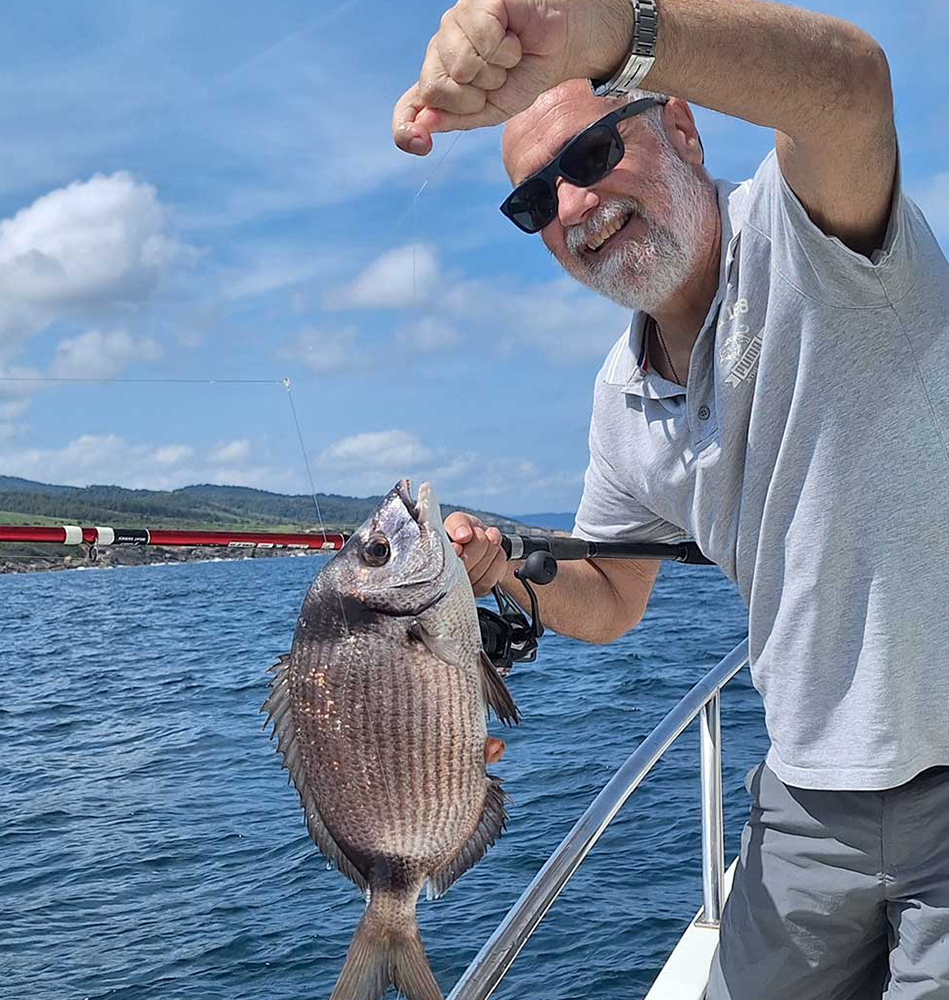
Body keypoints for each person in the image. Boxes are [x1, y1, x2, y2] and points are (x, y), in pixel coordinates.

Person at [391, 1, 949, 997]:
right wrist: (506, 568)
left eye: (590, 153)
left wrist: (615, 27)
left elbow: (850, 87)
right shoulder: (619, 397)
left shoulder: (807, 229)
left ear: (679, 126)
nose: (570, 207)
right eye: (532, 202)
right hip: (805, 796)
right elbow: (608, 592)